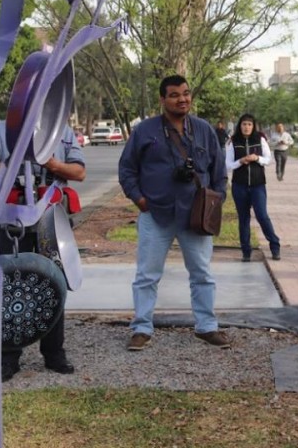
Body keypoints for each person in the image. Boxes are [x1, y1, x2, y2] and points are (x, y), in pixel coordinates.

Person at [119, 74, 229, 351]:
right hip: (156, 214)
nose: (182, 99)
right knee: (147, 274)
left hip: (196, 216)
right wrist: (140, 200)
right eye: (175, 95)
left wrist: (215, 203)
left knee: (202, 273)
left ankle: (206, 327)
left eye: (186, 93)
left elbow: (219, 173)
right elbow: (127, 170)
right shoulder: (145, 131)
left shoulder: (203, 130)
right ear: (162, 99)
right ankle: (142, 327)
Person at [0, 120, 85, 381]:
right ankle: (9, 357)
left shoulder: (61, 129)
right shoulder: (2, 130)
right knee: (12, 286)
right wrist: (12, 161)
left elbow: (79, 172)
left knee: (54, 282)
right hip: (12, 220)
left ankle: (53, 353)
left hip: (50, 217)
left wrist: (51, 164)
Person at [226, 114, 281, 262]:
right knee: (243, 219)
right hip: (239, 186)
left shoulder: (260, 140)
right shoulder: (234, 142)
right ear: (240, 125)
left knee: (262, 215)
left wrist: (257, 158)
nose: (247, 127)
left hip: (257, 185)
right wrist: (241, 161)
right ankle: (246, 251)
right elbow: (228, 164)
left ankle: (275, 246)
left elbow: (269, 159)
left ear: (253, 126)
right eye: (244, 124)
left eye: (249, 124)